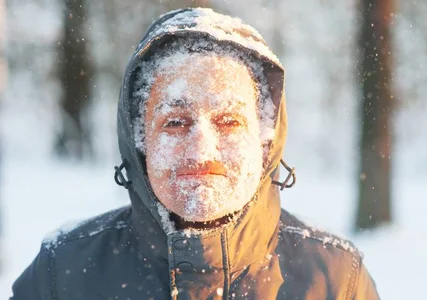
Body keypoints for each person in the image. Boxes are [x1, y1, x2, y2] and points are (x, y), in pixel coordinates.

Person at [11, 7, 379, 299]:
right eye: (174, 122)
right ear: (138, 141)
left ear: (265, 140)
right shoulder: (61, 274)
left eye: (229, 122)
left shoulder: (335, 279)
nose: (201, 150)